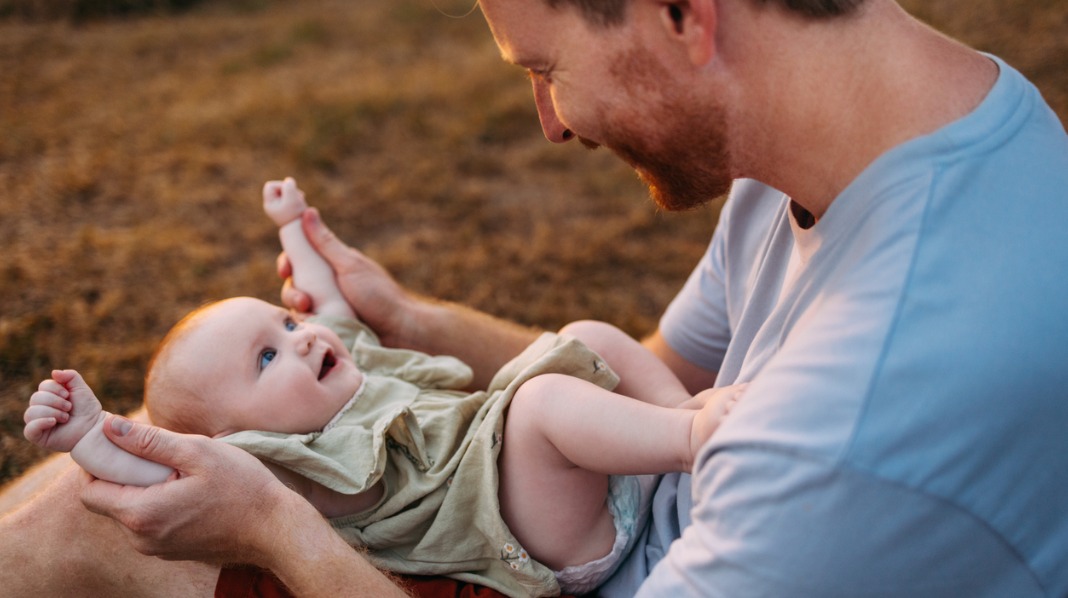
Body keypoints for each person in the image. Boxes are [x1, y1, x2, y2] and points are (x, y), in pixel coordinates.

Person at [2, 0, 1067, 595]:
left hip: (576, 567)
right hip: (614, 506)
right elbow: (639, 370)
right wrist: (414, 325)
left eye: (545, 68)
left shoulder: (863, 424)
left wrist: (278, 524)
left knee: (93, 529)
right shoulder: (883, 135)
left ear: (682, 13)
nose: (550, 124)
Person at [21, 178, 743, 597]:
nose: (300, 338)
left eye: (280, 325)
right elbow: (154, 470)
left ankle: (681, 413)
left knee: (586, 337)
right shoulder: (286, 464)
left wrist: (293, 230)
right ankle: (693, 439)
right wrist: (89, 434)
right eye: (267, 360)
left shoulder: (346, 364)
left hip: (557, 481)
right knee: (543, 402)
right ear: (238, 441)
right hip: (530, 532)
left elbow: (326, 304)